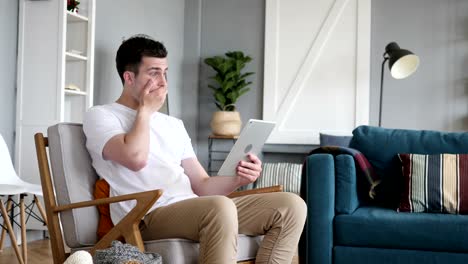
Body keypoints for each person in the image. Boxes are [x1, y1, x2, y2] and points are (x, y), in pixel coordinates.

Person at [83, 34, 307, 264]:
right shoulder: (101, 115)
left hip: (194, 207)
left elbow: (202, 184)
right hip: (146, 216)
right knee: (219, 207)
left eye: (165, 72)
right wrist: (145, 111)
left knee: (291, 206)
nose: (163, 81)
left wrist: (238, 179)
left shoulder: (173, 125)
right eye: (153, 73)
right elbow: (135, 158)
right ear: (129, 77)